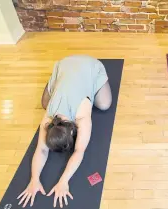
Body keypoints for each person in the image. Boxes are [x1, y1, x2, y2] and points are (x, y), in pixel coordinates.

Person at [17, 55, 112, 208]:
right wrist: (34, 179)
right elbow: (41, 150)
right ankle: (59, 79)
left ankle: (80, 77)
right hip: (64, 64)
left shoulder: (82, 115)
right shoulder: (48, 119)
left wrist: (63, 181)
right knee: (44, 103)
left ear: (74, 131)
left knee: (104, 104)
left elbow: (79, 151)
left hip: (90, 66)